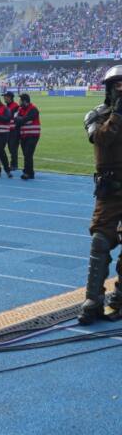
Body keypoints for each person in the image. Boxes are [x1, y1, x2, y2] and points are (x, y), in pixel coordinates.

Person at [79, 65, 122, 324]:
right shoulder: (96, 115)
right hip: (108, 190)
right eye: (117, 85)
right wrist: (117, 114)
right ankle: (93, 300)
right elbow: (101, 139)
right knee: (100, 242)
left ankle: (119, 299)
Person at [14, 93, 40, 180]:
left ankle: (26, 172)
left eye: (20, 100)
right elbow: (17, 120)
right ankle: (30, 172)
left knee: (28, 154)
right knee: (26, 154)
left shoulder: (33, 109)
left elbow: (23, 119)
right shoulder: (21, 109)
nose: (19, 102)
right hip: (24, 135)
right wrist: (20, 120)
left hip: (33, 135)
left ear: (24, 101)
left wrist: (20, 119)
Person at [3, 91, 20, 170]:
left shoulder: (15, 106)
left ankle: (14, 165)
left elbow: (15, 118)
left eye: (5, 96)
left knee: (13, 148)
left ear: (9, 97)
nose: (4, 98)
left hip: (14, 130)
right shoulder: (7, 106)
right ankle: (12, 164)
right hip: (8, 129)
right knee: (10, 148)